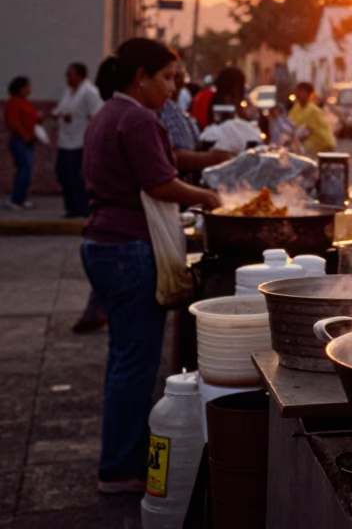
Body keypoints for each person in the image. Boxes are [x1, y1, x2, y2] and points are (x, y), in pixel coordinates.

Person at [80, 38, 221, 493]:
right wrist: (210, 197)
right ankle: (120, 468)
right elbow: (160, 182)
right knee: (136, 362)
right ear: (140, 77)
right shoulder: (138, 117)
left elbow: (163, 165)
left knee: (125, 359)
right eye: (165, 78)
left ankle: (121, 455)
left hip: (103, 243)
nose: (171, 89)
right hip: (127, 248)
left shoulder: (109, 113)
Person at [51, 62, 104, 217]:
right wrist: (59, 114)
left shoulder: (89, 92)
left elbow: (97, 113)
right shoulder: (69, 91)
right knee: (63, 174)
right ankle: (71, 208)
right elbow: (61, 108)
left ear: (80, 75)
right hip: (66, 140)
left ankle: (82, 209)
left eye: (70, 74)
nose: (67, 78)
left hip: (80, 141)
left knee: (77, 177)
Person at [5, 76, 41, 210]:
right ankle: (16, 198)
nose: (29, 90)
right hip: (19, 141)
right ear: (20, 88)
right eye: (27, 87)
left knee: (26, 169)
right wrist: (25, 135)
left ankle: (21, 197)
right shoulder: (14, 102)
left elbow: (32, 117)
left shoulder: (24, 102)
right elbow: (13, 122)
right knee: (24, 169)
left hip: (28, 141)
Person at [289, 82, 337, 157]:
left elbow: (306, 130)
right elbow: (290, 123)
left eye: (301, 92)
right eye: (297, 92)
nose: (298, 94)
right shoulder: (296, 108)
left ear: (308, 94)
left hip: (321, 142)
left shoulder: (313, 110)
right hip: (306, 140)